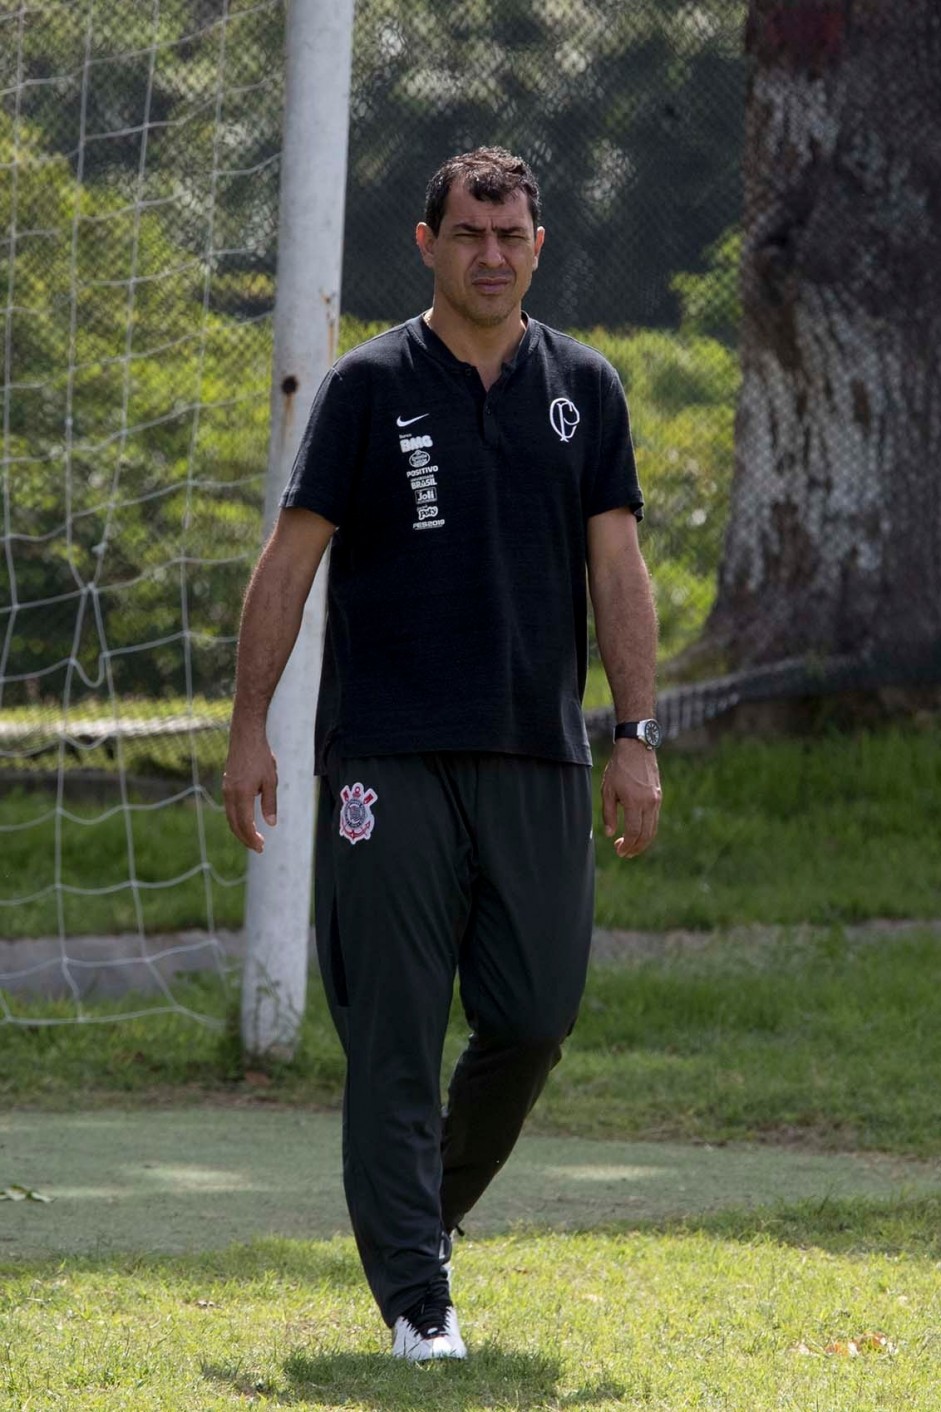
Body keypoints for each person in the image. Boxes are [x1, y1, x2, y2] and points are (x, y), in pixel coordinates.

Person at [223, 146, 662, 1362]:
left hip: (539, 753)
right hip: (387, 759)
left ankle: (423, 1214)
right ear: (427, 242)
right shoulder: (367, 387)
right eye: (467, 233)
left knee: (532, 1014)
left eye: (510, 234)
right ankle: (419, 1300)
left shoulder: (585, 384)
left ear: (536, 244)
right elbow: (290, 560)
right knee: (398, 1030)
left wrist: (634, 736)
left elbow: (617, 570)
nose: (489, 254)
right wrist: (249, 725)